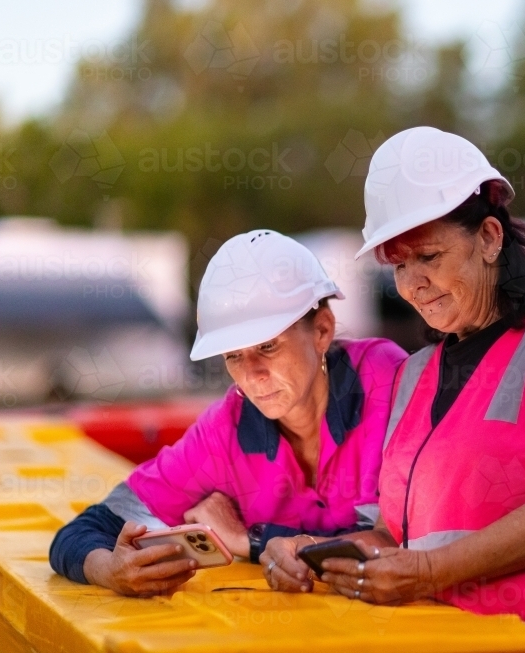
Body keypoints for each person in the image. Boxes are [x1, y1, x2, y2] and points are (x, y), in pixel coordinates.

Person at [263, 127, 525, 653]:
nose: (413, 283)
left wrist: (425, 572)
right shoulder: (417, 374)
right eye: (399, 265)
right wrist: (313, 551)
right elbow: (402, 541)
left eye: (429, 257)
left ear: (490, 237)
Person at [49, 230, 406, 596]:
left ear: (322, 331)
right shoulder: (224, 430)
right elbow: (81, 532)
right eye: (233, 355)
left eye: (268, 346)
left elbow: (410, 538)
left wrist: (249, 540)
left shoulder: (389, 384)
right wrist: (109, 569)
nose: (252, 375)